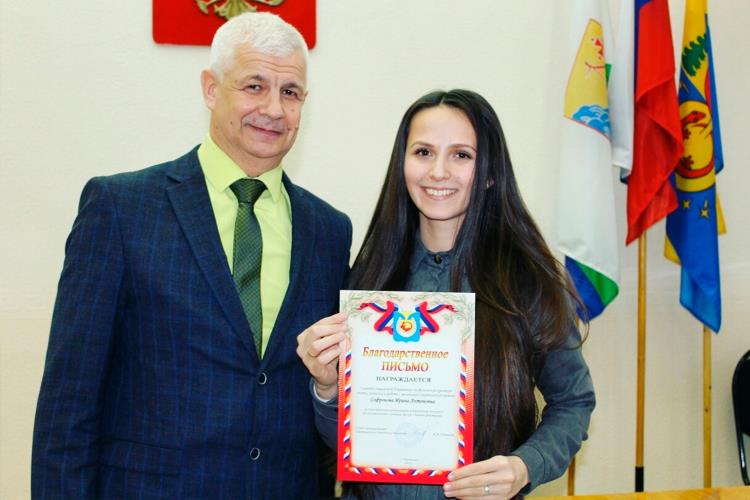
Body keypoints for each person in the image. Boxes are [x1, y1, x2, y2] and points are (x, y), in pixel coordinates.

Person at [31, 12, 351, 499]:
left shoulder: (329, 230)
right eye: (254, 86)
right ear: (210, 89)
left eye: (290, 92)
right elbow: (68, 402)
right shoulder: (121, 209)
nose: (273, 108)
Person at [297, 89, 595, 499]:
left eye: (461, 155)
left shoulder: (527, 281)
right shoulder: (369, 281)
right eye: (423, 152)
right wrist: (328, 389)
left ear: (489, 172)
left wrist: (524, 466)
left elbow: (573, 403)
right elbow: (347, 447)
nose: (438, 171)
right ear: (402, 164)